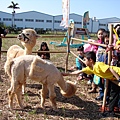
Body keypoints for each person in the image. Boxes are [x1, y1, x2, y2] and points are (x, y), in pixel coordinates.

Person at [62, 51, 120, 117]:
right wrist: (65, 74)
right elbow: (77, 72)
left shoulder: (98, 65)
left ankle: (112, 110)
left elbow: (111, 69)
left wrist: (118, 79)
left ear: (91, 60)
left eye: (85, 60)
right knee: (113, 94)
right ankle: (111, 111)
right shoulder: (90, 68)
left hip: (118, 75)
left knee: (114, 93)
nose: (84, 61)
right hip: (114, 79)